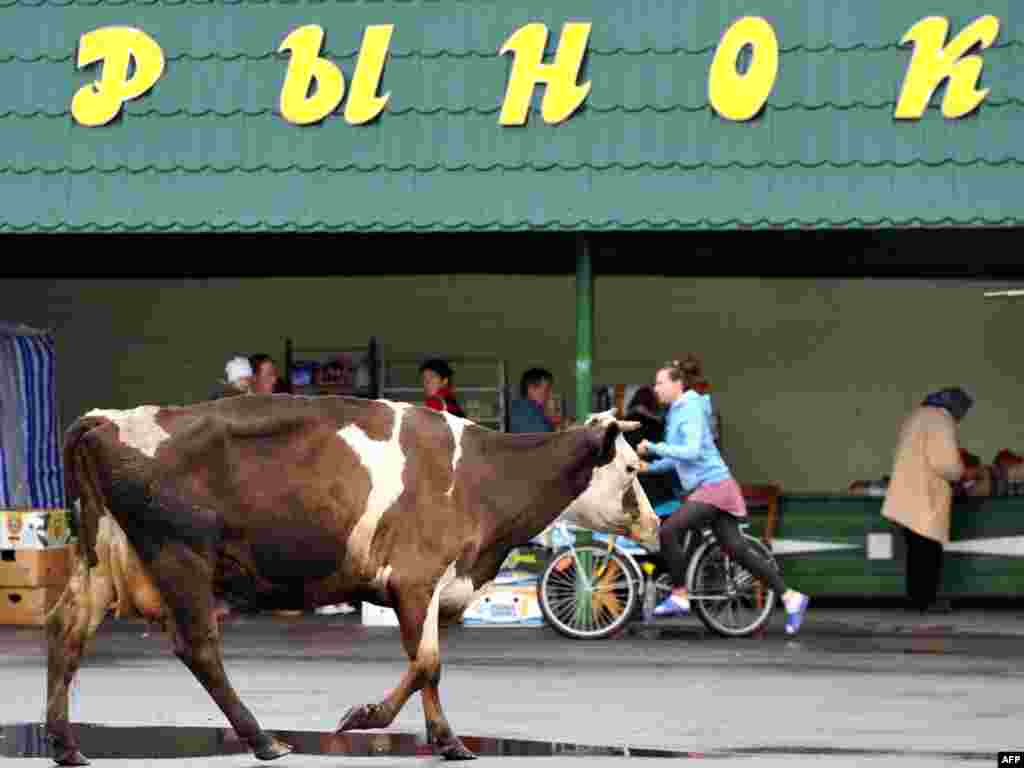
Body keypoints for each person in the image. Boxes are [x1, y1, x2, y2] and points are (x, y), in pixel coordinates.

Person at [637, 359, 810, 635]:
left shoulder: (689, 409)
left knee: (668, 530)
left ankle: (680, 594)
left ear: (676, 384)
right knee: (736, 549)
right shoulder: (680, 410)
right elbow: (680, 459)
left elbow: (691, 451)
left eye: (660, 382)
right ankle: (791, 597)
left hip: (713, 487)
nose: (655, 388)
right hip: (715, 486)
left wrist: (655, 447)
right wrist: (648, 466)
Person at [881, 386, 974, 615]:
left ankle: (916, 601)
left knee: (916, 552)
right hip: (924, 497)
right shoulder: (940, 420)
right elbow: (945, 463)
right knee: (929, 553)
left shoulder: (917, 416)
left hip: (907, 496)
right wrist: (962, 473)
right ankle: (927, 601)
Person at [508, 367, 558, 433]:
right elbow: (544, 435)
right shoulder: (523, 409)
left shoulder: (535, 407)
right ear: (531, 389)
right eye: (547, 389)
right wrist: (551, 414)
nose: (550, 394)